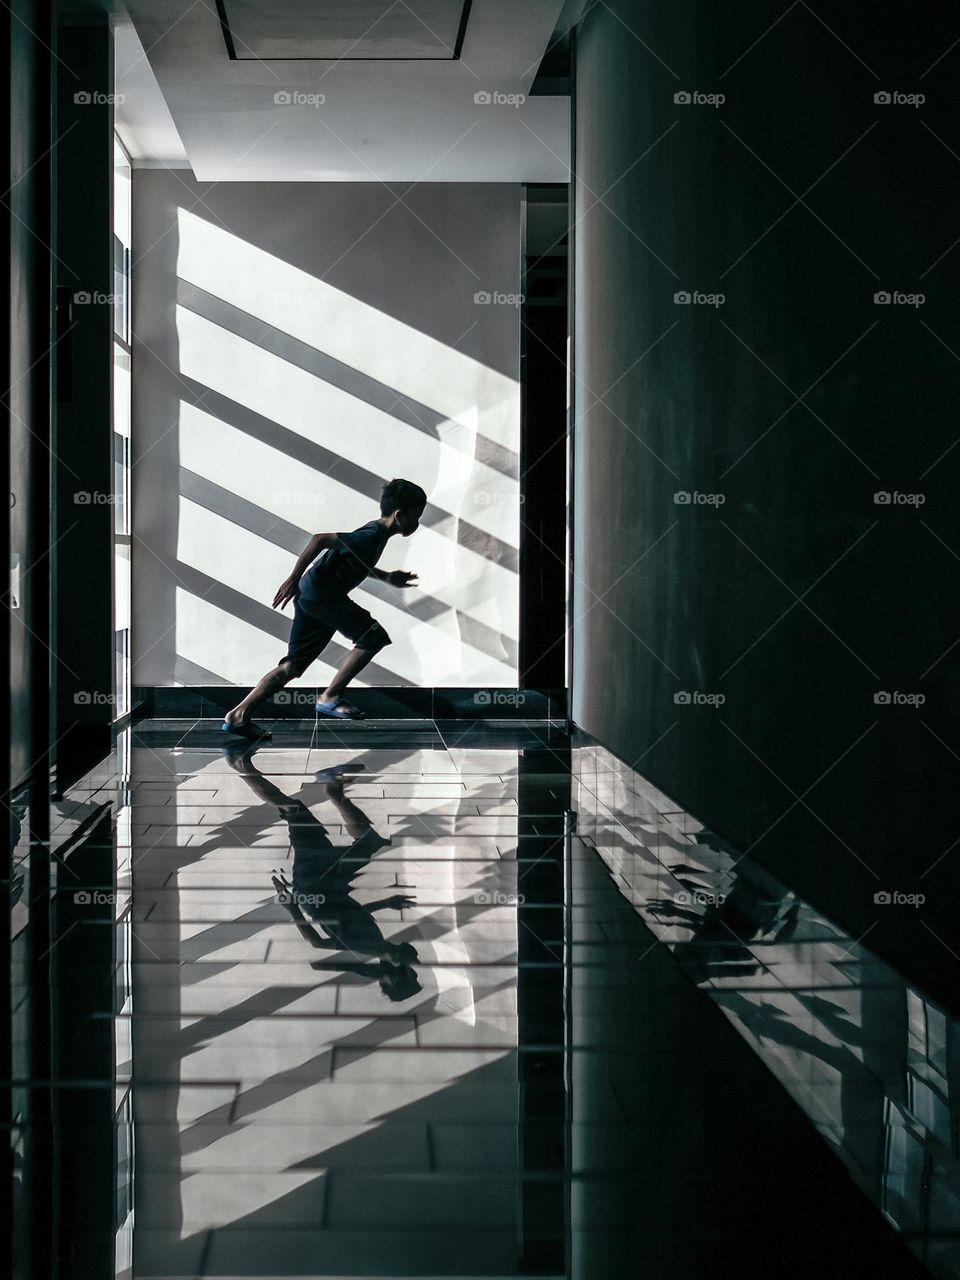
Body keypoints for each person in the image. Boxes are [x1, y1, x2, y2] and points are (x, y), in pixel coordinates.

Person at [222, 478, 426, 737]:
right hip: (321, 595)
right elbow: (321, 539)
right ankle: (331, 696)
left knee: (292, 666)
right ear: (399, 515)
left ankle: (238, 715)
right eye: (415, 516)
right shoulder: (372, 534)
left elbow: (355, 561)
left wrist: (387, 577)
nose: (417, 523)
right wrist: (292, 578)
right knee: (372, 637)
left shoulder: (375, 535)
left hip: (313, 595)